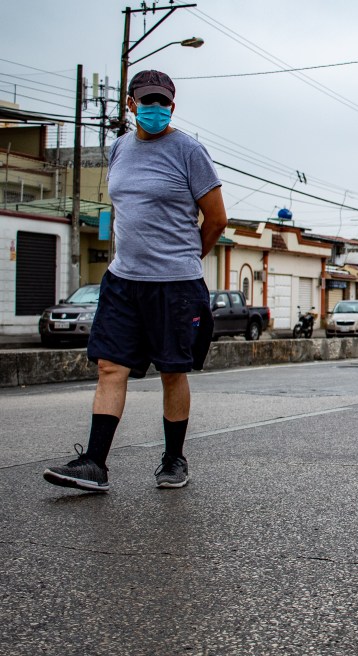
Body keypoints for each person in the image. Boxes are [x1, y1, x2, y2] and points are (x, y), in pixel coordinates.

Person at [43, 70, 227, 492]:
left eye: (163, 102)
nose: (155, 109)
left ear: (173, 107)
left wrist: (189, 256)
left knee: (171, 371)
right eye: (148, 101)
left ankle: (173, 459)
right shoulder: (119, 149)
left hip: (176, 284)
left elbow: (217, 219)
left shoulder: (188, 151)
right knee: (110, 366)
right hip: (123, 280)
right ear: (131, 104)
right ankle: (94, 464)